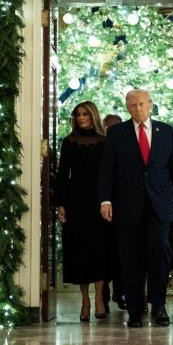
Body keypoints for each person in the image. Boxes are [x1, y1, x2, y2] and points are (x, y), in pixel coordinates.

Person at [99, 89, 173, 328]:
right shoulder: (117, 133)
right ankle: (136, 311)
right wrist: (105, 200)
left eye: (141, 104)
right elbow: (106, 170)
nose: (137, 109)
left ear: (150, 104)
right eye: (132, 105)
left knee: (160, 253)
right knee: (131, 258)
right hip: (127, 206)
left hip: (159, 206)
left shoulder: (167, 132)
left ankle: (158, 306)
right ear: (127, 108)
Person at [55, 101, 109, 321]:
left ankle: (99, 299)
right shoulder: (68, 142)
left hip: (99, 202)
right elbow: (61, 174)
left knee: (100, 251)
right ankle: (85, 300)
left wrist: (110, 200)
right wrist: (61, 204)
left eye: (85, 114)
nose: (81, 117)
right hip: (75, 202)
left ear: (93, 115)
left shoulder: (106, 142)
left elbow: (110, 173)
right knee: (80, 252)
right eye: (78, 114)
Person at [99, 114, 125, 312]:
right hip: (100, 208)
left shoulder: (125, 144)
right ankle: (104, 296)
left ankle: (120, 292)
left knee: (120, 253)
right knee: (105, 254)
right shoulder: (98, 145)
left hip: (123, 209)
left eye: (113, 127)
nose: (110, 130)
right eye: (106, 127)